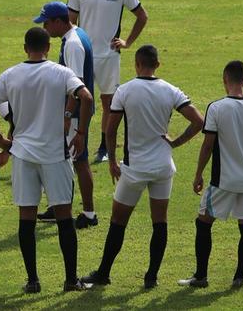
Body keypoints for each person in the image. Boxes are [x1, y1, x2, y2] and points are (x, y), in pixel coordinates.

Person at [0, 27, 94, 293]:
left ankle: (32, 281)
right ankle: (70, 279)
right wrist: (81, 133)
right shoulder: (60, 72)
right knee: (64, 215)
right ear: (49, 47)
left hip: (23, 154)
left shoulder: (11, 75)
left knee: (26, 216)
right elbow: (85, 96)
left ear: (24, 46)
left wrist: (1, 140)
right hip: (54, 153)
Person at [80, 45, 203, 289]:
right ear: (157, 64)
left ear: (136, 64)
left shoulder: (124, 91)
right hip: (163, 167)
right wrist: (175, 142)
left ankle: (103, 273)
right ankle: (151, 277)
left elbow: (112, 128)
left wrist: (113, 160)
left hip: (135, 168)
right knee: (160, 221)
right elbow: (198, 121)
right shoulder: (170, 90)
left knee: (118, 221)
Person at [179, 60, 243, 289]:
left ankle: (201, 276)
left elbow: (208, 145)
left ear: (224, 81)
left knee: (203, 223)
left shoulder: (217, 108)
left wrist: (198, 174)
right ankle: (240, 276)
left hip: (223, 181)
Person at [68, 0, 148, 162]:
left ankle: (103, 147)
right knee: (76, 99)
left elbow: (142, 16)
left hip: (109, 56)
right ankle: (73, 141)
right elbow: (70, 21)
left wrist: (127, 42)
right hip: (84, 54)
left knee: (108, 103)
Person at [34, 1, 98, 228]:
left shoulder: (72, 45)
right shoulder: (77, 34)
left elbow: (77, 87)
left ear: (59, 21)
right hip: (77, 114)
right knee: (70, 161)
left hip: (76, 115)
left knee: (78, 161)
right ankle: (59, 206)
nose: (44, 29)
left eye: (46, 23)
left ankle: (89, 214)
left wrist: (68, 116)